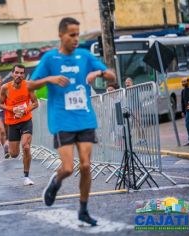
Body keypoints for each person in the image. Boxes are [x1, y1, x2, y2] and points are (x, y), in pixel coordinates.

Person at [28, 17, 116, 226]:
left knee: (86, 165)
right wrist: (49, 79)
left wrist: (100, 72)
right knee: (68, 168)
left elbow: (112, 76)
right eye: (72, 35)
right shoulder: (50, 59)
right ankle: (56, 182)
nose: (76, 39)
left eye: (78, 34)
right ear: (61, 35)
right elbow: (30, 85)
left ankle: (83, 210)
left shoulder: (85, 56)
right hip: (62, 120)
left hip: (85, 118)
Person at [0, 64, 39, 186]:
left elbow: (35, 103)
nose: (19, 75)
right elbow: (0, 105)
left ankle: (26, 176)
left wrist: (25, 110)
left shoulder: (28, 86)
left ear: (24, 75)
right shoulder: (5, 88)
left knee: (26, 146)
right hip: (12, 123)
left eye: (21, 73)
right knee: (14, 154)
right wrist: (12, 109)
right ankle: (7, 146)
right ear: (12, 74)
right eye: (17, 72)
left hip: (26, 120)